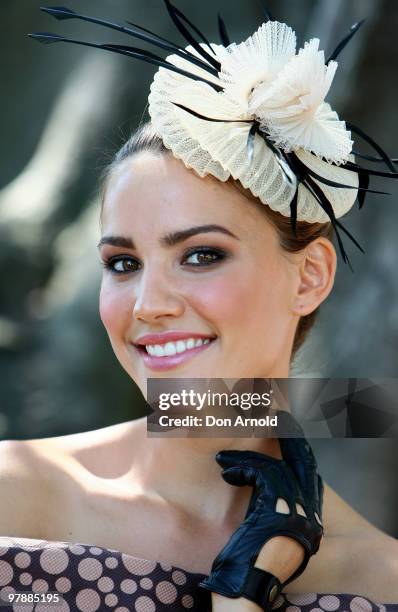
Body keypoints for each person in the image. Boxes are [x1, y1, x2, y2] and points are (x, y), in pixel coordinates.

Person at [1, 4, 398, 611]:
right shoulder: (15, 496)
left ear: (310, 276)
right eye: (123, 264)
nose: (150, 304)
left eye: (201, 254)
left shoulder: (379, 580)